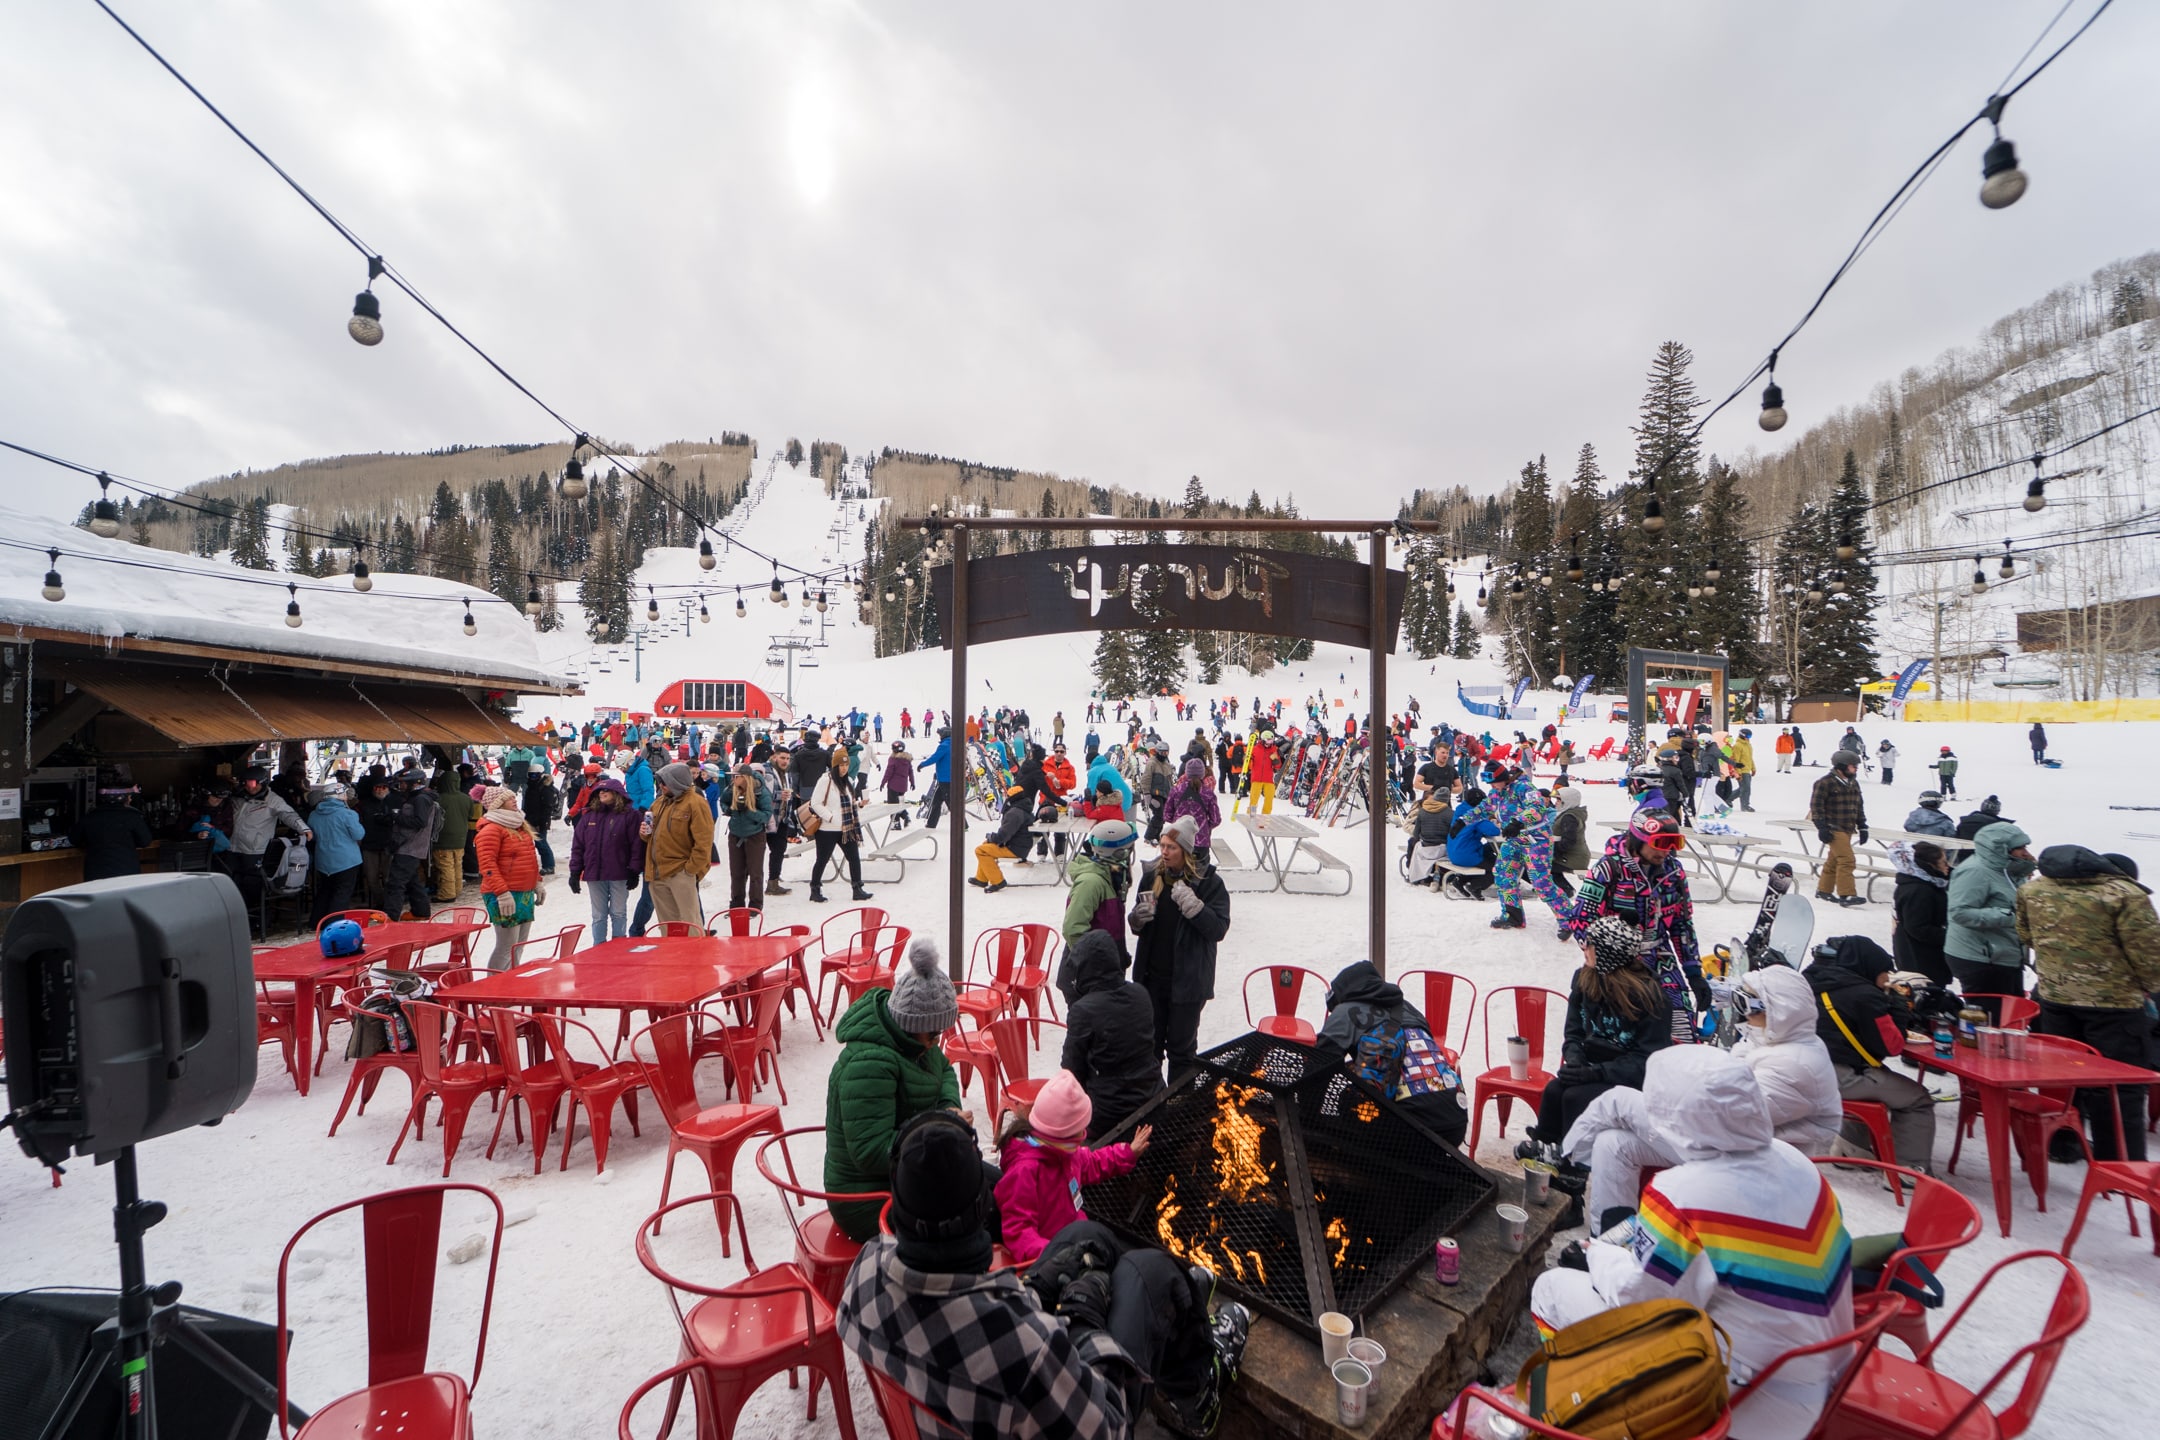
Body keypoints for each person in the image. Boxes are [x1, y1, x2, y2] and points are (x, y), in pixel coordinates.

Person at [838, 1110, 1247, 1440]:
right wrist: (1085, 1322)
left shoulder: (863, 1274)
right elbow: (1107, 1428)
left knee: (1083, 1235)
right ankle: (1198, 1388)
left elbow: (962, 1322)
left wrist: (1034, 1289)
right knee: (1148, 1270)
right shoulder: (1025, 1350)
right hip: (1085, 1405)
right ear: (983, 1209)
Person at [1531, 1048, 1854, 1440]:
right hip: (1821, 1375)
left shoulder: (1683, 1193)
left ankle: (1573, 1403)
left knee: (1550, 1288)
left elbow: (1642, 1304)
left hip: (1744, 1398)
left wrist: (1598, 1255)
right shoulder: (1799, 1164)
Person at [1564, 965, 1841, 1233]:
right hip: (1729, 1146)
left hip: (1752, 1164)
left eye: (1749, 1004)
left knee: (1619, 1102)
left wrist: (1679, 1099)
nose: (1742, 1013)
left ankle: (1563, 1159)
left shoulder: (1796, 1065)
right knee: (1612, 1144)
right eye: (1737, 1000)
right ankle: (1609, 1239)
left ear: (1782, 1011)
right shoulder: (1770, 1041)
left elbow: (1730, 1117)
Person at [2018, 845, 2160, 1160]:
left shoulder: (2033, 888)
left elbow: (2025, 935)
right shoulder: (2126, 895)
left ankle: (2063, 1145)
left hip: (2055, 997)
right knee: (2120, 1084)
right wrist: (2150, 989)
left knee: (2066, 1077)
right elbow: (2149, 955)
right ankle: (2121, 1164)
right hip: (2115, 1004)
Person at [825, 938, 965, 1242]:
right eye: (934, 1033)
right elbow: (871, 1151)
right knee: (968, 1212)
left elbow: (944, 1070)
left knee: (988, 1188)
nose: (937, 1041)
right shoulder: (869, 1064)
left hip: (906, 1176)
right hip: (866, 1199)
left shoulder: (915, 1043)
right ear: (911, 1023)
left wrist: (948, 1108)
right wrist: (939, 1129)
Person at [1515, 916, 1672, 1168]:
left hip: (1630, 1080)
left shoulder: (1650, 996)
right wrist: (1575, 1060)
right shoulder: (1584, 979)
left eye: (1589, 944)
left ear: (1608, 953)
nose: (1583, 948)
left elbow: (1648, 1059)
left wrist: (1594, 1072)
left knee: (1574, 1097)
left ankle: (1571, 1171)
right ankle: (1546, 1161)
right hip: (1592, 1067)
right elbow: (1574, 1032)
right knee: (1554, 1091)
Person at [1566, 813, 1710, 1040]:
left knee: (1681, 1026)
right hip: (1618, 960)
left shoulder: (1673, 871)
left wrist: (1693, 973)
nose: (1666, 851)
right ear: (1639, 840)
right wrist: (1599, 957)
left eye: (1674, 844)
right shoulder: (1609, 869)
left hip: (1661, 955)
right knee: (1629, 1031)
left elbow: (1682, 923)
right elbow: (1581, 919)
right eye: (1660, 844)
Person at [1805, 935, 1935, 1173]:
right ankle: (1910, 1170)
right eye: (1885, 971)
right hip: (1840, 1076)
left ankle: (1851, 1146)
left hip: (1808, 1068)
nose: (1887, 978)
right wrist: (1897, 1006)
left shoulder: (1815, 979)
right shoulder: (1865, 996)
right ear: (1870, 967)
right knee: (1917, 1098)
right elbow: (1892, 1046)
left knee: (1878, 1075)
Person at [994, 1070, 1150, 1265]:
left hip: (1078, 1239)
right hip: (1055, 1260)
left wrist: (1127, 1153)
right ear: (1062, 1134)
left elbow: (1091, 1162)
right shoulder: (1024, 1171)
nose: (1084, 1134)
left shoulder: (1063, 1153)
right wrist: (1061, 1256)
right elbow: (1019, 1232)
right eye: (1080, 1130)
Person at [1316, 960, 1469, 1145]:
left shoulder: (1344, 1012)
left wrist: (1304, 1119)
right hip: (1456, 1118)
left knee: (1347, 1100)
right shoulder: (1409, 1008)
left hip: (1406, 1130)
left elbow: (1318, 1070)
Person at [1128, 816, 1231, 1079]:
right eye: (1162, 845)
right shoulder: (1152, 877)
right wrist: (1137, 919)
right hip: (1152, 980)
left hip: (1188, 983)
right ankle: (1151, 1103)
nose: (1164, 851)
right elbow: (1136, 926)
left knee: (1181, 1051)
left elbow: (1218, 929)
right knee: (1149, 1047)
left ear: (1185, 850)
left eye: (1171, 847)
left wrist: (1196, 908)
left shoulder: (1209, 883)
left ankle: (1177, 1105)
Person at [1060, 930, 1162, 1141]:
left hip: (1109, 1114)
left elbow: (1071, 1070)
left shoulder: (1083, 1011)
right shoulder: (1140, 993)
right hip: (1152, 1098)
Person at [1943, 820, 2033, 1006]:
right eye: (2020, 848)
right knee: (1990, 1019)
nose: (2026, 853)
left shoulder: (2010, 871)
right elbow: (1959, 912)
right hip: (1980, 958)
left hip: (2005, 956)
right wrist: (2010, 917)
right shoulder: (1974, 871)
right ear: (2001, 849)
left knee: (2011, 1015)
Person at [1060, 819, 1138, 988]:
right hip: (1088, 975)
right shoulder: (1092, 882)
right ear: (1119, 853)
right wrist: (1097, 962)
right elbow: (1073, 928)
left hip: (1104, 970)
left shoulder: (1110, 876)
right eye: (1128, 849)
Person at [567, 776, 642, 943]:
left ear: (617, 793)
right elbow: (578, 846)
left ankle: (618, 945)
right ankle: (598, 947)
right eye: (599, 791)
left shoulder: (630, 816)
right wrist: (575, 872)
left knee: (618, 912)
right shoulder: (588, 817)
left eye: (606, 790)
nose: (602, 793)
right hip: (595, 874)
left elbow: (636, 845)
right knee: (598, 915)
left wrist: (634, 870)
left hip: (620, 873)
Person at [474, 786, 542, 969]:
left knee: (518, 945)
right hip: (502, 893)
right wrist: (502, 893)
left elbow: (530, 858)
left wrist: (537, 882)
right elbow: (487, 865)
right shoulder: (491, 830)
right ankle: (494, 990)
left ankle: (512, 984)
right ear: (497, 804)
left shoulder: (519, 825)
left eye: (514, 797)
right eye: (508, 798)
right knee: (506, 946)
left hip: (523, 891)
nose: (514, 800)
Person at [809, 750, 876, 904]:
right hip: (827, 829)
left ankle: (857, 888)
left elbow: (849, 804)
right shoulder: (825, 781)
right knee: (822, 860)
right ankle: (815, 889)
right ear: (834, 765)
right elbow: (815, 803)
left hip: (846, 827)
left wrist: (860, 804)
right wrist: (831, 817)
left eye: (846, 765)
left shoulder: (848, 782)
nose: (844, 768)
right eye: (841, 765)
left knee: (854, 858)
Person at [1806, 751, 1867, 907]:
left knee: (1833, 860)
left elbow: (1858, 806)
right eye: (1853, 766)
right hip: (1833, 827)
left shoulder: (1853, 783)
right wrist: (1822, 827)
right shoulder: (1825, 783)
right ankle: (1847, 894)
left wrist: (1863, 826)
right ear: (1841, 766)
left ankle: (1824, 891)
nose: (1856, 769)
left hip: (1848, 828)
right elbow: (1816, 807)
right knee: (1847, 860)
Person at [1890, 841, 1954, 987]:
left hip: (1918, 956)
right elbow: (1917, 928)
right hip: (1920, 962)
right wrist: (1952, 937)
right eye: (1943, 862)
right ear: (1929, 866)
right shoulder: (1919, 890)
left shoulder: (1922, 883)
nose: (1947, 866)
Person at [304, 783, 366, 925]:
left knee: (325, 891)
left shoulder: (314, 814)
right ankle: (334, 923)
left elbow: (313, 836)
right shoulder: (348, 814)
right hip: (347, 859)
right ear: (340, 796)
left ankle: (316, 921)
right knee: (342, 893)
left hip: (323, 859)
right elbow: (359, 834)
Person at [385, 765, 439, 921]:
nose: (401, 786)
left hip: (409, 847)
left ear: (415, 783)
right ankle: (420, 911)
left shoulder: (421, 799)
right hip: (413, 847)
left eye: (403, 783)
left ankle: (390, 916)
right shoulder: (419, 797)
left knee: (396, 882)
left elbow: (420, 821)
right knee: (412, 881)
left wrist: (396, 816)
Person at [69, 785, 154, 882]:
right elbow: (145, 841)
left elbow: (74, 839)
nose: (130, 799)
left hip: (95, 873)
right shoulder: (133, 817)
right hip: (126, 871)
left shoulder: (89, 817)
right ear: (123, 799)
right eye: (129, 797)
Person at [722, 759, 774, 910]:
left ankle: (755, 905)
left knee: (755, 873)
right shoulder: (731, 789)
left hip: (755, 836)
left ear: (745, 777)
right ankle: (736, 905)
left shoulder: (761, 792)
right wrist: (730, 809)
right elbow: (723, 802)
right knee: (736, 872)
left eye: (736, 776)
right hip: (736, 835)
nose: (733, 779)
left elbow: (765, 816)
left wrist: (748, 810)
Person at [973, 784, 1035, 894]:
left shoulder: (1014, 813)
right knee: (985, 844)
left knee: (981, 850)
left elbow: (1003, 836)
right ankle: (981, 878)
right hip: (1021, 845)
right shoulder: (1024, 807)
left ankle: (998, 881)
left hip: (1014, 849)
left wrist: (991, 837)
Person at [1162, 759, 1220, 866]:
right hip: (1201, 841)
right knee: (1201, 876)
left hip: (1179, 840)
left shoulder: (1176, 790)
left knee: (1178, 876)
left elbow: (1166, 815)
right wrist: (1204, 827)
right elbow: (1216, 819)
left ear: (1187, 773)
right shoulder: (1208, 793)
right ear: (1202, 774)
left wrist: (1178, 822)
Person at [354, 771, 398, 912]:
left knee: (388, 878)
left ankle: (390, 904)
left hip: (389, 844)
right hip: (369, 845)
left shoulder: (395, 801)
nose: (380, 789)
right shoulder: (364, 804)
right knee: (371, 879)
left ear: (388, 788)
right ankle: (380, 903)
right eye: (377, 787)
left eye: (383, 787)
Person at [431, 772, 475, 904]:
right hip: (461, 837)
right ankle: (457, 889)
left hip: (443, 838)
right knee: (457, 864)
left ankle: (447, 893)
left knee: (445, 866)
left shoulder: (439, 799)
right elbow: (470, 814)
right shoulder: (466, 798)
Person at [1550, 785, 1589, 896]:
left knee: (1543, 867)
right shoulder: (1566, 814)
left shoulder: (1569, 817)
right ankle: (1564, 891)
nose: (1556, 802)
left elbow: (1568, 841)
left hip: (1573, 857)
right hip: (1571, 855)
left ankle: (1566, 892)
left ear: (1567, 801)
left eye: (1559, 799)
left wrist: (1553, 851)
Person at [521, 768, 558, 875]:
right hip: (529, 819)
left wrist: (542, 823)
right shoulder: (530, 787)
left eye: (535, 775)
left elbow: (547, 808)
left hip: (539, 821)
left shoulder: (545, 788)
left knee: (541, 843)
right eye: (530, 775)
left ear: (540, 775)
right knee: (533, 843)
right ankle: (545, 865)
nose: (532, 778)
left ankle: (549, 866)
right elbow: (527, 804)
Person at [918, 727, 954, 827]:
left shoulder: (944, 746)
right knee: (936, 802)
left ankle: (963, 825)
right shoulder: (954, 744)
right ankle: (931, 824)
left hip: (945, 779)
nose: (940, 736)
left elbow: (935, 758)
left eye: (940, 734)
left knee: (951, 804)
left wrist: (922, 764)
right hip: (947, 778)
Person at [880, 740, 913, 823]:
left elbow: (889, 772)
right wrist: (912, 782)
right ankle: (905, 816)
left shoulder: (893, 759)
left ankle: (895, 822)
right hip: (903, 787)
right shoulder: (907, 759)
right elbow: (910, 772)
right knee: (899, 803)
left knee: (893, 805)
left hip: (893, 786)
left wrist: (883, 782)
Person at [1729, 728, 1758, 811]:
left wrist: (1753, 768)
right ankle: (1745, 805)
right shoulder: (1737, 746)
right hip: (1742, 771)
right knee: (1746, 789)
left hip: (1747, 770)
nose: (1749, 738)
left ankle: (1728, 798)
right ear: (1742, 735)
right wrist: (1738, 772)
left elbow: (1749, 758)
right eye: (1748, 736)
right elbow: (1736, 760)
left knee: (1743, 788)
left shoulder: (1748, 745)